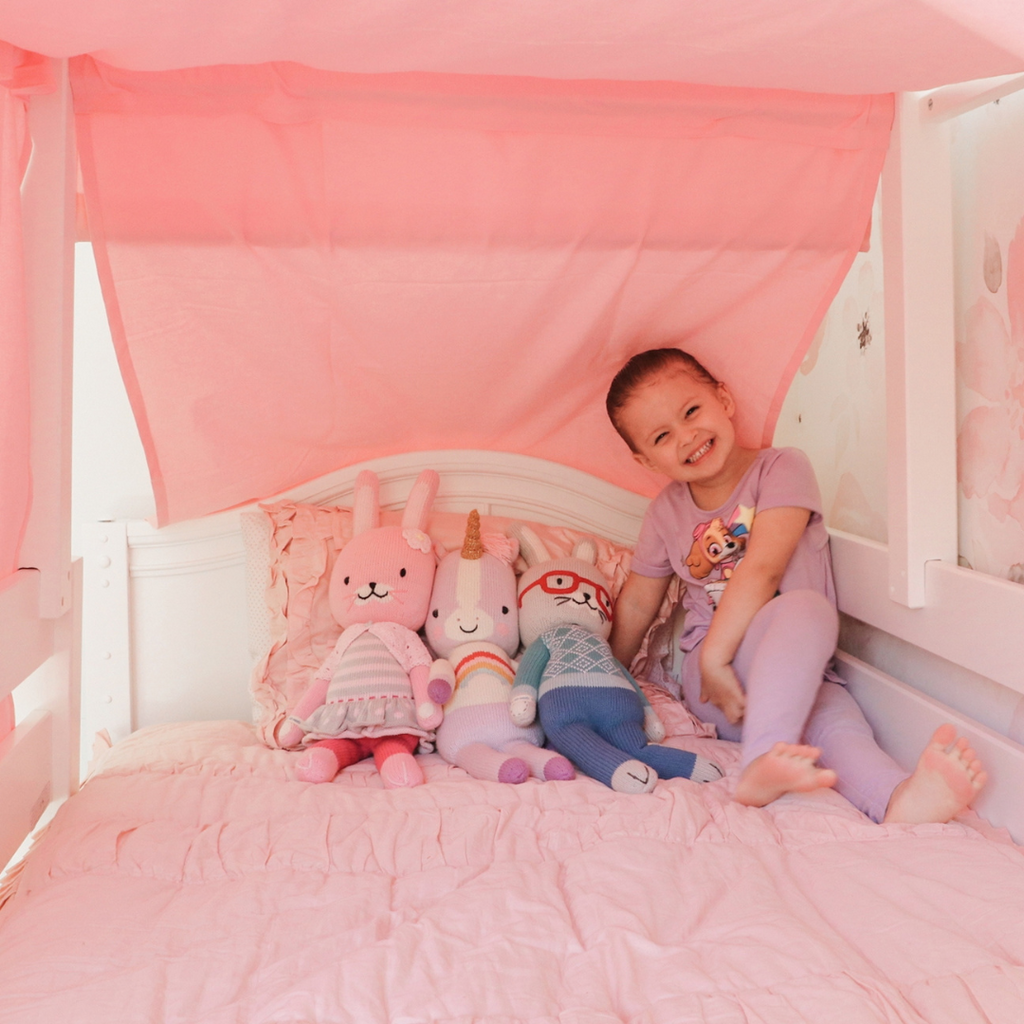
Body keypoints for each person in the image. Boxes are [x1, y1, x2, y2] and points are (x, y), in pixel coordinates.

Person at [606, 347, 987, 823]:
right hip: (717, 681)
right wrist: (608, 673)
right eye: (663, 436)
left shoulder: (781, 468)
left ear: (723, 399)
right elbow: (641, 599)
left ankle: (898, 801)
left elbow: (763, 565)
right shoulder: (666, 512)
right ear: (646, 460)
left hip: (796, 675)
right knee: (805, 609)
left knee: (838, 723)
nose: (688, 436)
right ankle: (761, 761)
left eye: (691, 411)